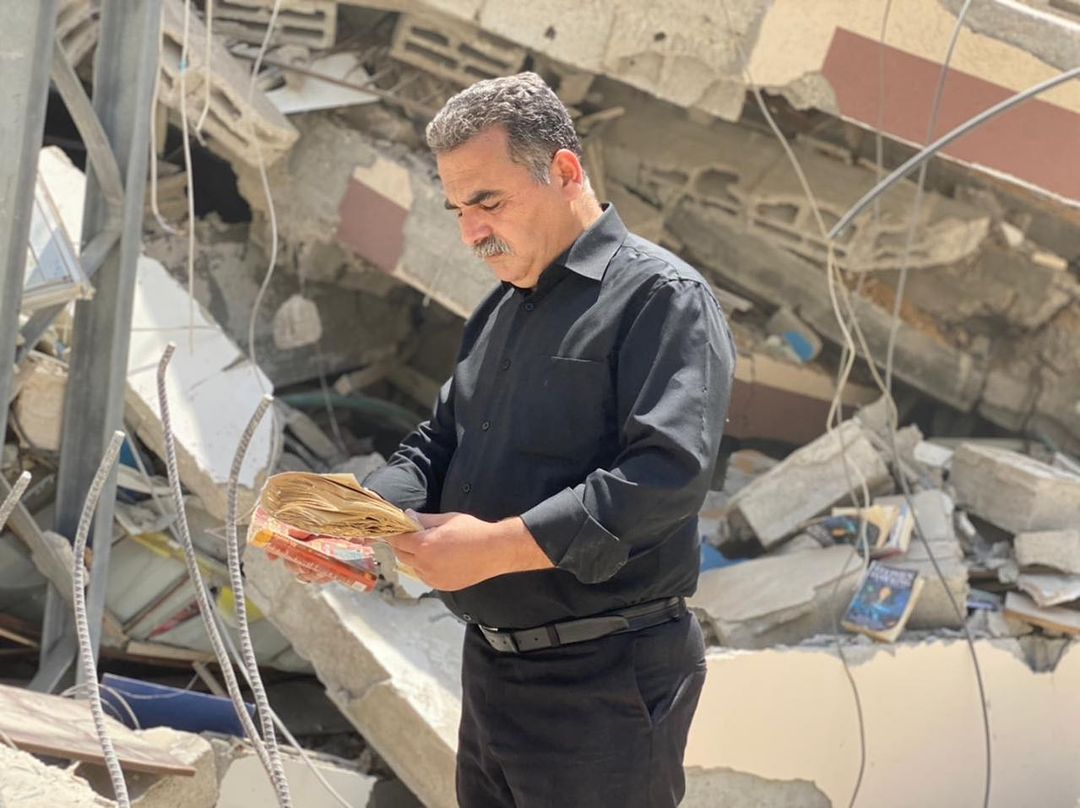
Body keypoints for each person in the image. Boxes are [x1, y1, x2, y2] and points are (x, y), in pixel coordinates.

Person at [290, 72, 735, 808]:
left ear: (564, 171)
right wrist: (353, 521)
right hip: (493, 672)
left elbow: (665, 476)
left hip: (606, 682)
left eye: (488, 201)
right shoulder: (500, 310)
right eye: (458, 209)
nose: (470, 231)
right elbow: (438, 444)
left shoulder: (662, 298)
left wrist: (496, 548)